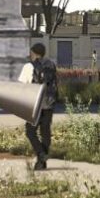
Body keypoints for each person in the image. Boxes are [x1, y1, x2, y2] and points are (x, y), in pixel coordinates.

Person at [25, 43, 62, 172]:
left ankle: (41, 154)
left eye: (31, 52)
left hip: (37, 103)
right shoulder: (51, 64)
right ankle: (42, 162)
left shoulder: (35, 65)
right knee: (45, 132)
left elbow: (37, 82)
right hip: (49, 103)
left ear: (35, 53)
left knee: (30, 131)